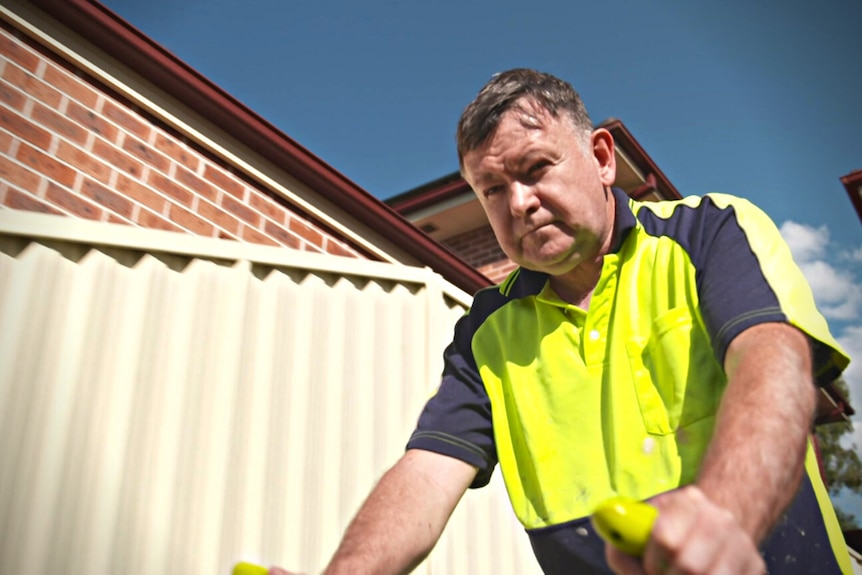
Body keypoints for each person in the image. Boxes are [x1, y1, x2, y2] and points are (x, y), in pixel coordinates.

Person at [274, 69, 853, 574]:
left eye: (535, 169)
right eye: (492, 189)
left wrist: (725, 516)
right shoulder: (486, 332)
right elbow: (428, 472)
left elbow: (772, 362)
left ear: (602, 159)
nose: (518, 202)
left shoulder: (708, 234)